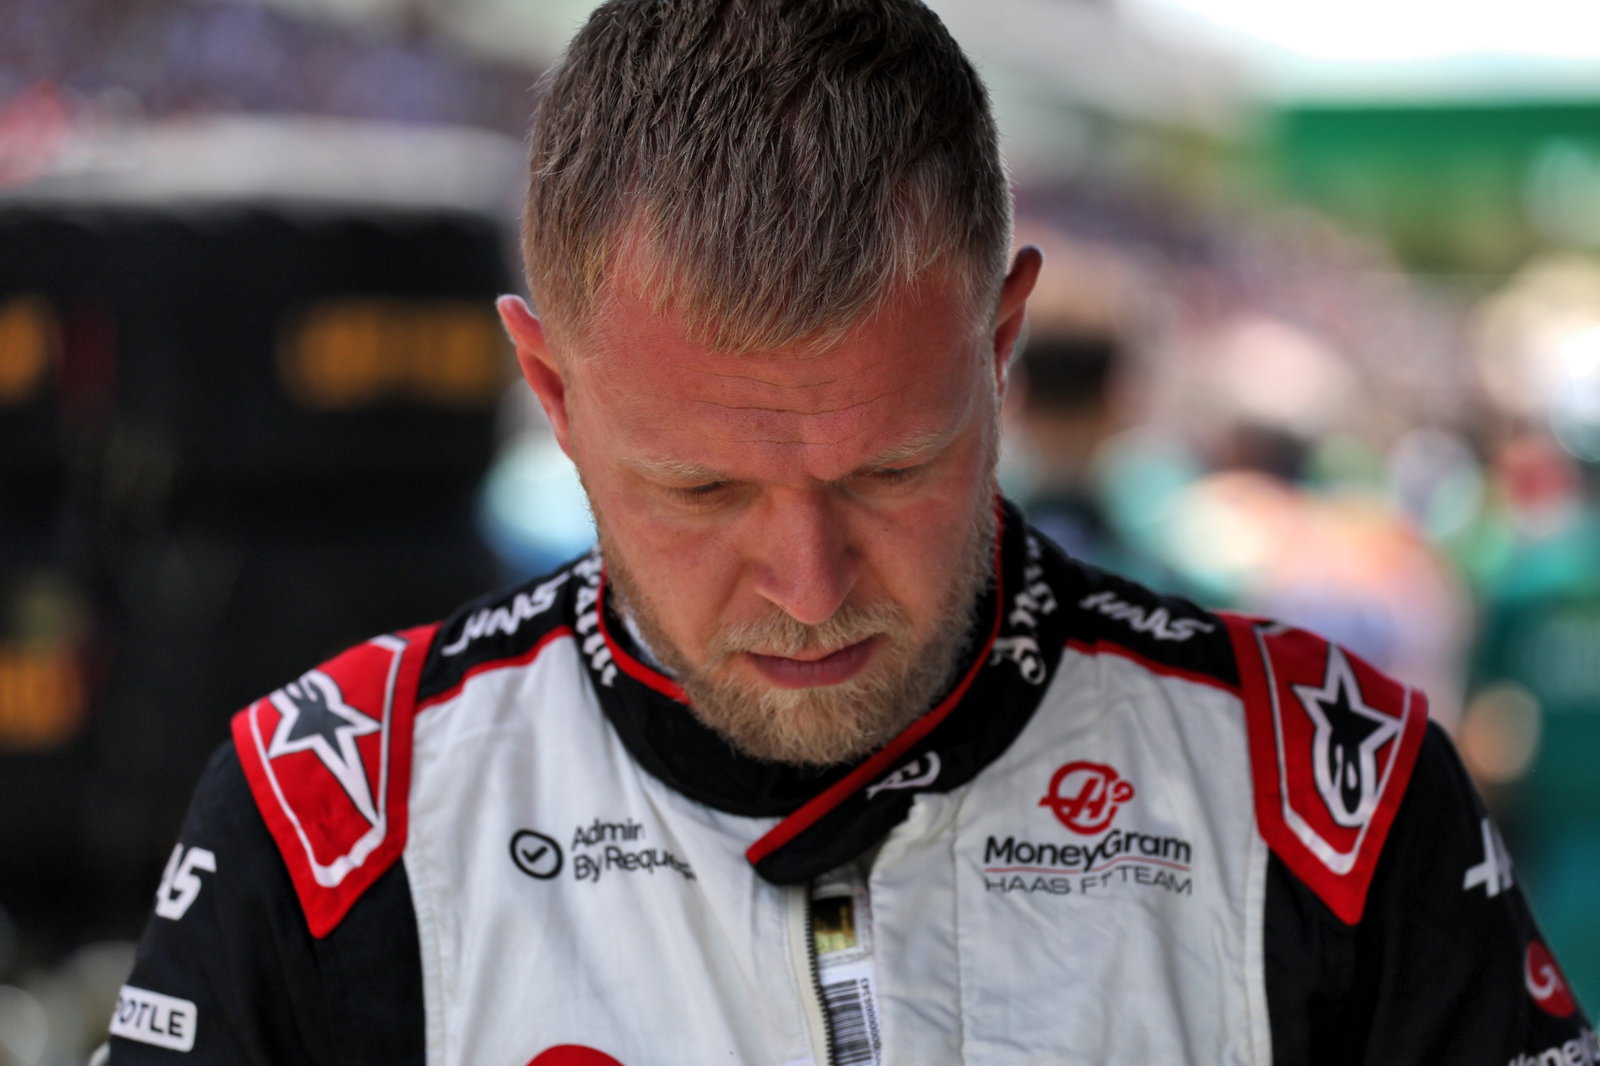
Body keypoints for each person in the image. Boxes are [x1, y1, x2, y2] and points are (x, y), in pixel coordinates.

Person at [104, 1, 1593, 1063]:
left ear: (1000, 342)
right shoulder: (331, 817)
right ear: (549, 387)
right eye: (702, 490)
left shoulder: (1328, 794)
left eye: (891, 470)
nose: (808, 586)